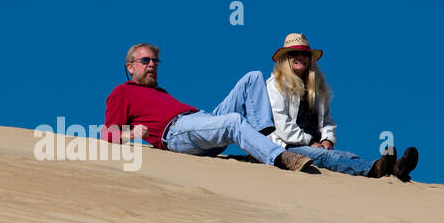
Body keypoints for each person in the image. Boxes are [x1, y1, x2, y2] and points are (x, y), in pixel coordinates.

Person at [102, 43, 309, 171]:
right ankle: (280, 158)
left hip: (200, 120)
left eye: (155, 62)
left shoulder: (160, 91)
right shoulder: (122, 92)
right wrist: (131, 134)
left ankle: (262, 139)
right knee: (234, 122)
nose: (152, 65)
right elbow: (106, 134)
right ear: (129, 67)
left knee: (252, 78)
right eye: (145, 60)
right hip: (176, 133)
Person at [266, 33, 419, 181]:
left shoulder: (316, 88)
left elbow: (326, 121)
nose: (300, 57)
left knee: (345, 156)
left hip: (316, 146)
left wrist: (327, 140)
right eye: (294, 53)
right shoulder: (276, 85)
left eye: (304, 54)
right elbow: (282, 125)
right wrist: (310, 142)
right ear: (286, 58)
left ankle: (394, 168)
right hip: (288, 148)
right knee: (328, 157)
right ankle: (375, 168)